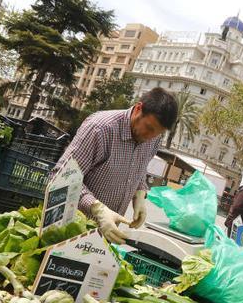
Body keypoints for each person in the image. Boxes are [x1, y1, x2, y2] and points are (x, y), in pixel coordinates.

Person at [52, 87, 179, 244]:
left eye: (157, 133)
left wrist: (140, 192)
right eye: (149, 128)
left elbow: (138, 167)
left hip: (104, 239)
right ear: (138, 109)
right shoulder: (100, 129)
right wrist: (97, 209)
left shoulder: (153, 139)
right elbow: (62, 178)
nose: (150, 137)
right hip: (68, 231)